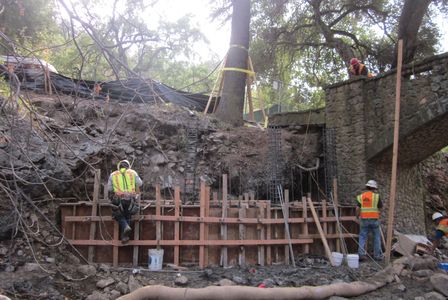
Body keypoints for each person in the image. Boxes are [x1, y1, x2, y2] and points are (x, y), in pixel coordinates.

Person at [107, 160, 143, 242]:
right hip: (130, 198)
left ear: (119, 166)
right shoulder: (133, 173)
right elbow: (140, 184)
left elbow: (109, 188)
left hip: (118, 199)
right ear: (128, 166)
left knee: (117, 215)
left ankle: (125, 227)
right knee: (127, 215)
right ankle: (124, 237)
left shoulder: (113, 174)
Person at [356, 179, 383, 261]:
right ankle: (377, 255)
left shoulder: (361, 196)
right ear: (374, 188)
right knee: (377, 237)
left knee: (362, 236)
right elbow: (381, 208)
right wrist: (378, 214)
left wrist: (357, 216)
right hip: (374, 219)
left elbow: (357, 208)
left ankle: (361, 254)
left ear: (367, 187)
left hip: (364, 219)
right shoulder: (376, 196)